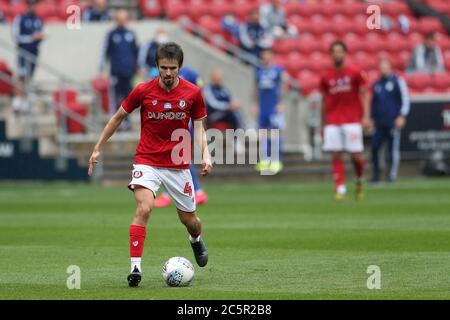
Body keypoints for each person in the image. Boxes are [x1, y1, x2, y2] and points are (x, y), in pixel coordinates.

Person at [88, 42, 212, 287]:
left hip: (178, 165)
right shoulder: (143, 91)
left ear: (180, 67)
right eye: (163, 68)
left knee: (190, 220)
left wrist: (206, 155)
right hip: (148, 160)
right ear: (156, 66)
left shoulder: (193, 94)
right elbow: (118, 117)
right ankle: (135, 268)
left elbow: (198, 128)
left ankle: (196, 239)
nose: (168, 73)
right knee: (144, 208)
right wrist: (97, 146)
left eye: (172, 68)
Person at [320, 40, 371, 201]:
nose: (337, 54)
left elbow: (365, 94)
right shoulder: (326, 76)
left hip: (351, 120)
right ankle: (340, 189)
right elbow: (324, 100)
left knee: (356, 156)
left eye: (340, 51)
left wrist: (366, 116)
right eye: (334, 51)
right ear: (331, 55)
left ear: (345, 53)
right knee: (336, 154)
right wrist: (323, 124)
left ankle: (359, 180)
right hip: (333, 120)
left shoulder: (355, 73)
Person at [154, 65, 209, 208]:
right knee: (177, 157)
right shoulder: (163, 73)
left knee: (179, 157)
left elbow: (200, 93)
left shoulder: (191, 73)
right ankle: (194, 191)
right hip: (168, 119)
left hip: (183, 120)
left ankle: (193, 191)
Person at [370, 57, 410, 183]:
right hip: (379, 122)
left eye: (385, 67)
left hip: (392, 121)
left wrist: (402, 115)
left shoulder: (398, 81)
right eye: (381, 67)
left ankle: (391, 176)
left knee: (392, 150)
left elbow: (405, 99)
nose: (383, 70)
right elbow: (374, 103)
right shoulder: (376, 84)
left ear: (390, 67)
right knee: (375, 148)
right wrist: (372, 118)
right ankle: (376, 175)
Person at [99, 9, 138, 129]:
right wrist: (101, 68)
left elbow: (135, 53)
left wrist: (137, 68)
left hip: (128, 72)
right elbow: (104, 52)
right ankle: (115, 122)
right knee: (115, 97)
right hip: (116, 72)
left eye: (124, 19)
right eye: (119, 19)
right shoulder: (111, 34)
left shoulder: (131, 34)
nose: (122, 21)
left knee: (128, 98)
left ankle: (126, 121)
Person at [254, 49, 286, 175]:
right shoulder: (259, 71)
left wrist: (281, 102)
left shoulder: (278, 71)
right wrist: (255, 104)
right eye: (263, 55)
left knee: (275, 132)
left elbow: (283, 86)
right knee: (263, 132)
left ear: (271, 56)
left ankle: (276, 160)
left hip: (274, 106)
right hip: (263, 107)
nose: (265, 57)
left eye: (267, 55)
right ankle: (265, 159)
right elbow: (256, 88)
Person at [11, 0, 45, 113]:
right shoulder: (20, 18)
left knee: (29, 78)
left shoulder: (38, 20)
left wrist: (39, 38)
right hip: (23, 53)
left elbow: (39, 35)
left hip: (34, 53)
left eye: (35, 4)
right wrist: (31, 37)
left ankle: (25, 103)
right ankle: (17, 102)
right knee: (21, 77)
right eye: (31, 4)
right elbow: (16, 37)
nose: (33, 6)